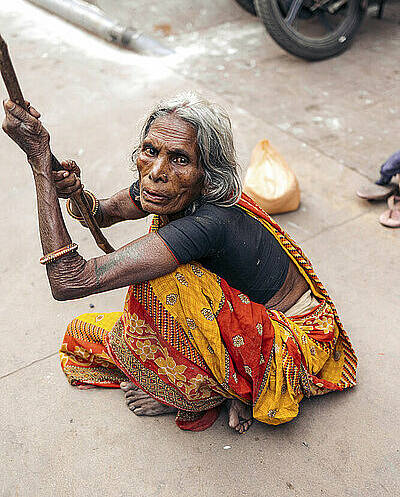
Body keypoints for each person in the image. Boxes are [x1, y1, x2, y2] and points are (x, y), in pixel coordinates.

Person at [2, 92, 357, 433]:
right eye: (150, 151)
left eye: (180, 158)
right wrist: (68, 186)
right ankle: (230, 381)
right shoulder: (167, 187)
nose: (157, 171)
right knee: (86, 333)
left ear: (207, 172)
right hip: (243, 316)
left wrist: (37, 166)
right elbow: (100, 214)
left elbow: (70, 281)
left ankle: (201, 394)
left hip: (290, 344)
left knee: (163, 278)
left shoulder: (209, 220)